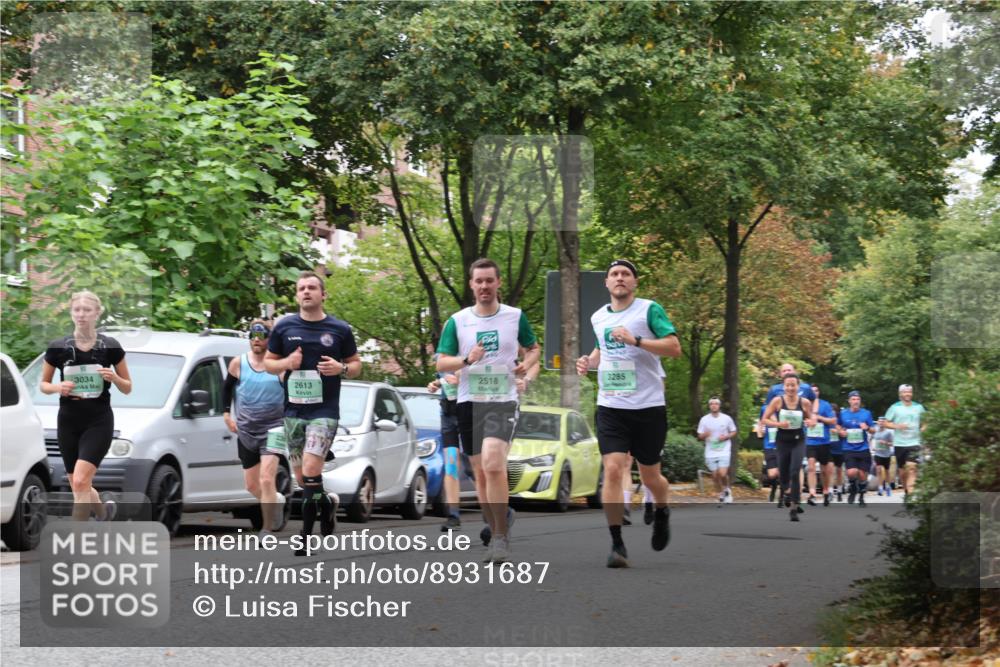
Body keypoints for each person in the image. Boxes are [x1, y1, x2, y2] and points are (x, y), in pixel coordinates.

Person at [576, 259, 681, 568]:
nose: (620, 278)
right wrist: (588, 363)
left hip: (648, 405)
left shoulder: (649, 310)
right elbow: (601, 350)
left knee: (651, 476)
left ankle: (661, 509)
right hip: (611, 406)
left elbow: (674, 347)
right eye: (614, 275)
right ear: (606, 283)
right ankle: (617, 544)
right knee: (612, 469)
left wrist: (637, 340)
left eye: (626, 274)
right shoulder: (598, 317)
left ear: (634, 282)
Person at [436, 258, 540, 563]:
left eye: (489, 281)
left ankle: (499, 538)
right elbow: (441, 362)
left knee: (494, 463)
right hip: (469, 402)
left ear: (498, 283)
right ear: (471, 284)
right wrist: (467, 360)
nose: (484, 286)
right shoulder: (457, 321)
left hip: (503, 399)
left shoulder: (514, 317)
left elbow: (534, 348)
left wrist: (527, 365)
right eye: (478, 281)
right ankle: (496, 525)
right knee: (481, 473)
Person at [264, 271, 362, 553]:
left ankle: (305, 540)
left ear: (323, 295)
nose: (306, 292)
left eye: (311, 288)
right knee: (301, 478)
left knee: (309, 469)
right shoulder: (284, 327)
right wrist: (286, 363)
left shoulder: (339, 329)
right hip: (293, 411)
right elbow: (268, 363)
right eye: (301, 288)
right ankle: (327, 504)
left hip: (325, 411)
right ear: (297, 295)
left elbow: (356, 364)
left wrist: (341, 368)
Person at [40, 291, 132, 521]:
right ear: (71, 313)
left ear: (97, 313)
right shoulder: (57, 347)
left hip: (98, 420)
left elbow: (128, 386)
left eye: (87, 310)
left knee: (81, 481)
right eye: (77, 310)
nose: (81, 315)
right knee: (77, 483)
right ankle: (104, 513)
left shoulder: (110, 346)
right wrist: (58, 387)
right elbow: (43, 384)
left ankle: (76, 542)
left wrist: (114, 378)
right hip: (68, 420)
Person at [223, 320, 287, 535]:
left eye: (261, 336)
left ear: (270, 339)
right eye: (253, 336)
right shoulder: (238, 364)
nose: (257, 340)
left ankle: (267, 528)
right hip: (246, 429)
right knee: (251, 485)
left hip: (274, 429)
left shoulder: (280, 368)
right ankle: (274, 502)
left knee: (267, 478)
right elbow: (226, 389)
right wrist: (226, 415)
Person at [762, 374, 814, 522]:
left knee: (795, 470)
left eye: (793, 385)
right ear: (784, 387)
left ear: (798, 387)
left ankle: (794, 507)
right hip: (782, 440)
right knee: (783, 473)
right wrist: (779, 424)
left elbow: (812, 419)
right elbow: (764, 419)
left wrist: (811, 422)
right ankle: (787, 493)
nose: (791, 388)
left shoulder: (804, 402)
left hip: (798, 439)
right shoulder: (777, 401)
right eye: (788, 385)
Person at [427, 369, 462, 531]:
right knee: (451, 464)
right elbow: (441, 379)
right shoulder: (442, 358)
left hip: (471, 413)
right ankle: (453, 515)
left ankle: (496, 511)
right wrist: (434, 384)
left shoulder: (471, 350)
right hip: (448, 413)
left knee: (473, 466)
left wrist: (460, 377)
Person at [884, 384, 926, 500]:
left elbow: (926, 421)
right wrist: (898, 426)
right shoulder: (894, 407)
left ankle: (911, 496)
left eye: (909, 392)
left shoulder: (919, 407)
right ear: (900, 394)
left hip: (914, 443)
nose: (908, 394)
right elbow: (886, 422)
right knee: (903, 472)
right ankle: (907, 491)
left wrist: (922, 429)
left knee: (911, 468)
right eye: (905, 392)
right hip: (900, 444)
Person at [837, 391, 875, 507]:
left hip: (863, 448)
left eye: (857, 399)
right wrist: (841, 431)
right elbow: (837, 426)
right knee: (851, 472)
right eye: (853, 399)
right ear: (849, 401)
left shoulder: (866, 413)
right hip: (848, 447)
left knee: (863, 475)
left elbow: (873, 430)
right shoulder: (843, 414)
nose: (856, 401)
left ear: (860, 401)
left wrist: (867, 428)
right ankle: (853, 487)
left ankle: (862, 497)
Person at [698, 398, 738, 504]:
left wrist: (726, 436)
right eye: (711, 404)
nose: (714, 405)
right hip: (710, 451)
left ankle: (726, 490)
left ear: (719, 406)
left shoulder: (726, 418)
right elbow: (700, 435)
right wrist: (705, 435)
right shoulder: (704, 420)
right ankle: (721, 493)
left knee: (722, 473)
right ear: (709, 406)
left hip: (724, 450)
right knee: (715, 475)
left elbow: (734, 431)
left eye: (716, 404)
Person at [805, 384, 837, 506]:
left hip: (824, 442)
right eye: (812, 391)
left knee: (825, 470)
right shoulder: (804, 404)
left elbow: (833, 420)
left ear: (818, 392)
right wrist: (806, 422)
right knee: (811, 467)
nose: (814, 392)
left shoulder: (825, 405)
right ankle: (812, 494)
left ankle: (825, 492)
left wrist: (819, 417)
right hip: (810, 441)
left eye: (816, 390)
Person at [756, 406, 781, 504]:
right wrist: (760, 432)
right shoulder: (764, 408)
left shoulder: (785, 408)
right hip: (769, 445)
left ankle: (782, 494)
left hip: (782, 446)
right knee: (771, 474)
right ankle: (774, 486)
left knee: (781, 471)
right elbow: (760, 422)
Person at [871, 416, 894, 496]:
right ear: (878, 422)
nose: (881, 423)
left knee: (887, 471)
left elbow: (892, 443)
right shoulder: (875, 432)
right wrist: (872, 447)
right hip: (878, 454)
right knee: (878, 470)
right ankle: (880, 488)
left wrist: (886, 443)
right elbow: (871, 440)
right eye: (880, 421)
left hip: (886, 454)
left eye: (883, 422)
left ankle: (888, 487)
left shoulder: (888, 432)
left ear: (885, 423)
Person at [829, 402, 846, 501]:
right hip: (829, 449)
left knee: (839, 471)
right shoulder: (827, 422)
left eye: (834, 412)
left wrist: (838, 431)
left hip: (839, 449)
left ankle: (839, 490)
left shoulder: (841, 422)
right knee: (830, 470)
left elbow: (844, 433)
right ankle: (831, 491)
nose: (832, 414)